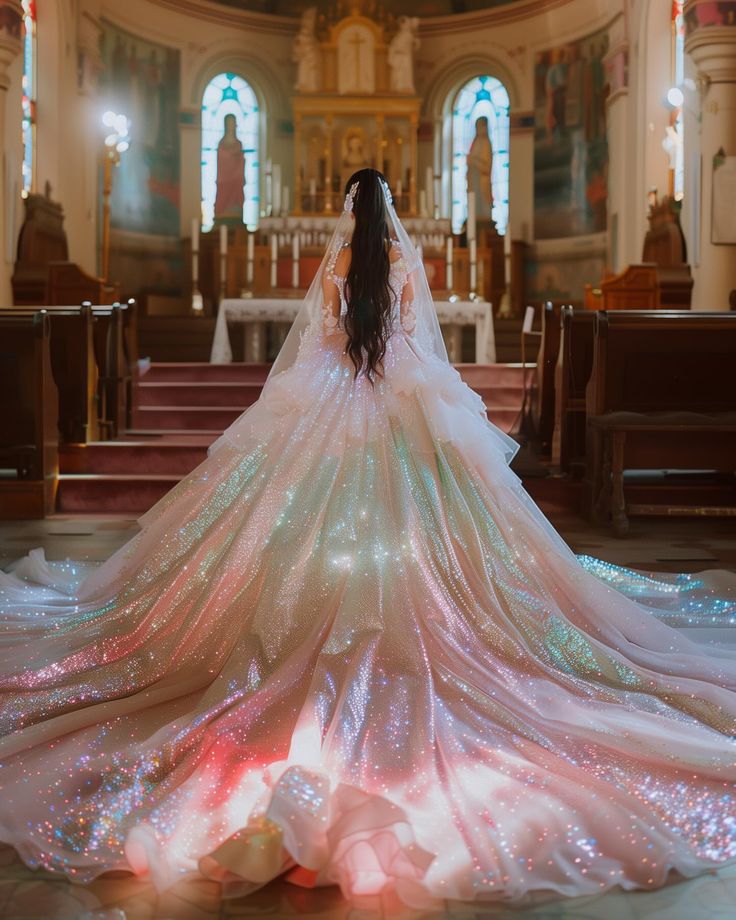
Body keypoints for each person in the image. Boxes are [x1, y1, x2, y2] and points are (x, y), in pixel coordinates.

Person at [0, 168, 734, 909]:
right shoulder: (406, 267)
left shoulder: (340, 265)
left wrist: (339, 374)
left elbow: (325, 338)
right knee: (435, 517)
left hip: (334, 397)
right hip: (398, 396)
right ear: (394, 213)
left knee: (287, 519)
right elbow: (413, 341)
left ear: (350, 210)